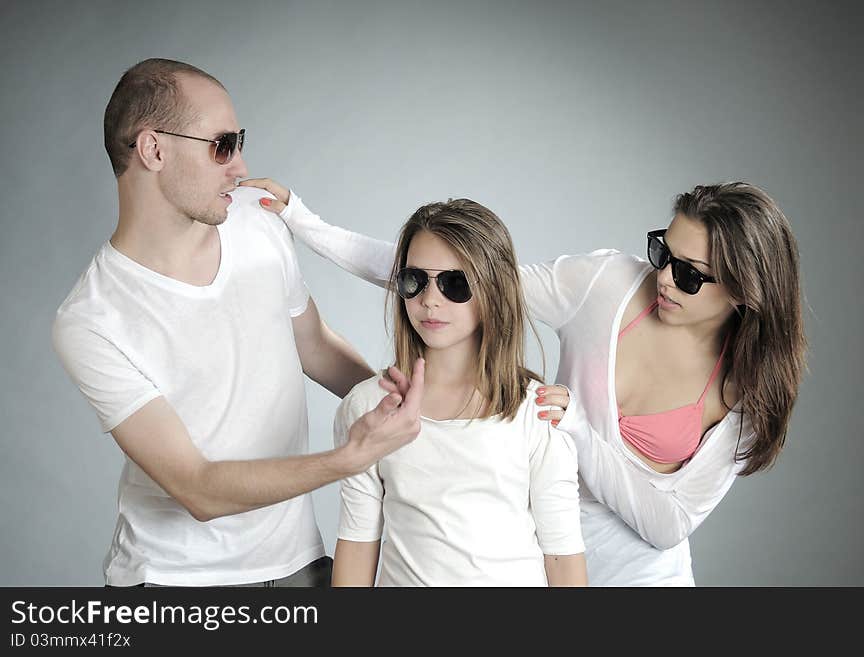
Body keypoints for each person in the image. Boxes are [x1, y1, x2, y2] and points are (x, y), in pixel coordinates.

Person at [241, 177, 807, 586]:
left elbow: (668, 526)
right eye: (662, 250)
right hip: (534, 558)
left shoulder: (748, 393)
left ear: (743, 290)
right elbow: (459, 276)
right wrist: (302, 221)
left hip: (640, 577)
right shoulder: (607, 284)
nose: (663, 278)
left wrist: (578, 431)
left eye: (689, 274)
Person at [51, 58, 424, 588]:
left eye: (240, 141)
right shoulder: (91, 319)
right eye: (222, 145)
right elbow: (198, 488)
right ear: (154, 149)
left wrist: (406, 407)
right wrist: (350, 457)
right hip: (171, 585)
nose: (241, 167)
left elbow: (313, 345)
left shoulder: (254, 219)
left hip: (299, 565)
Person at [327, 199, 587, 586]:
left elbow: (564, 560)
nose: (430, 300)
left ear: (494, 291)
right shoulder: (368, 408)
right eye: (415, 279)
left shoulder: (537, 411)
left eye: (455, 283)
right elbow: (357, 547)